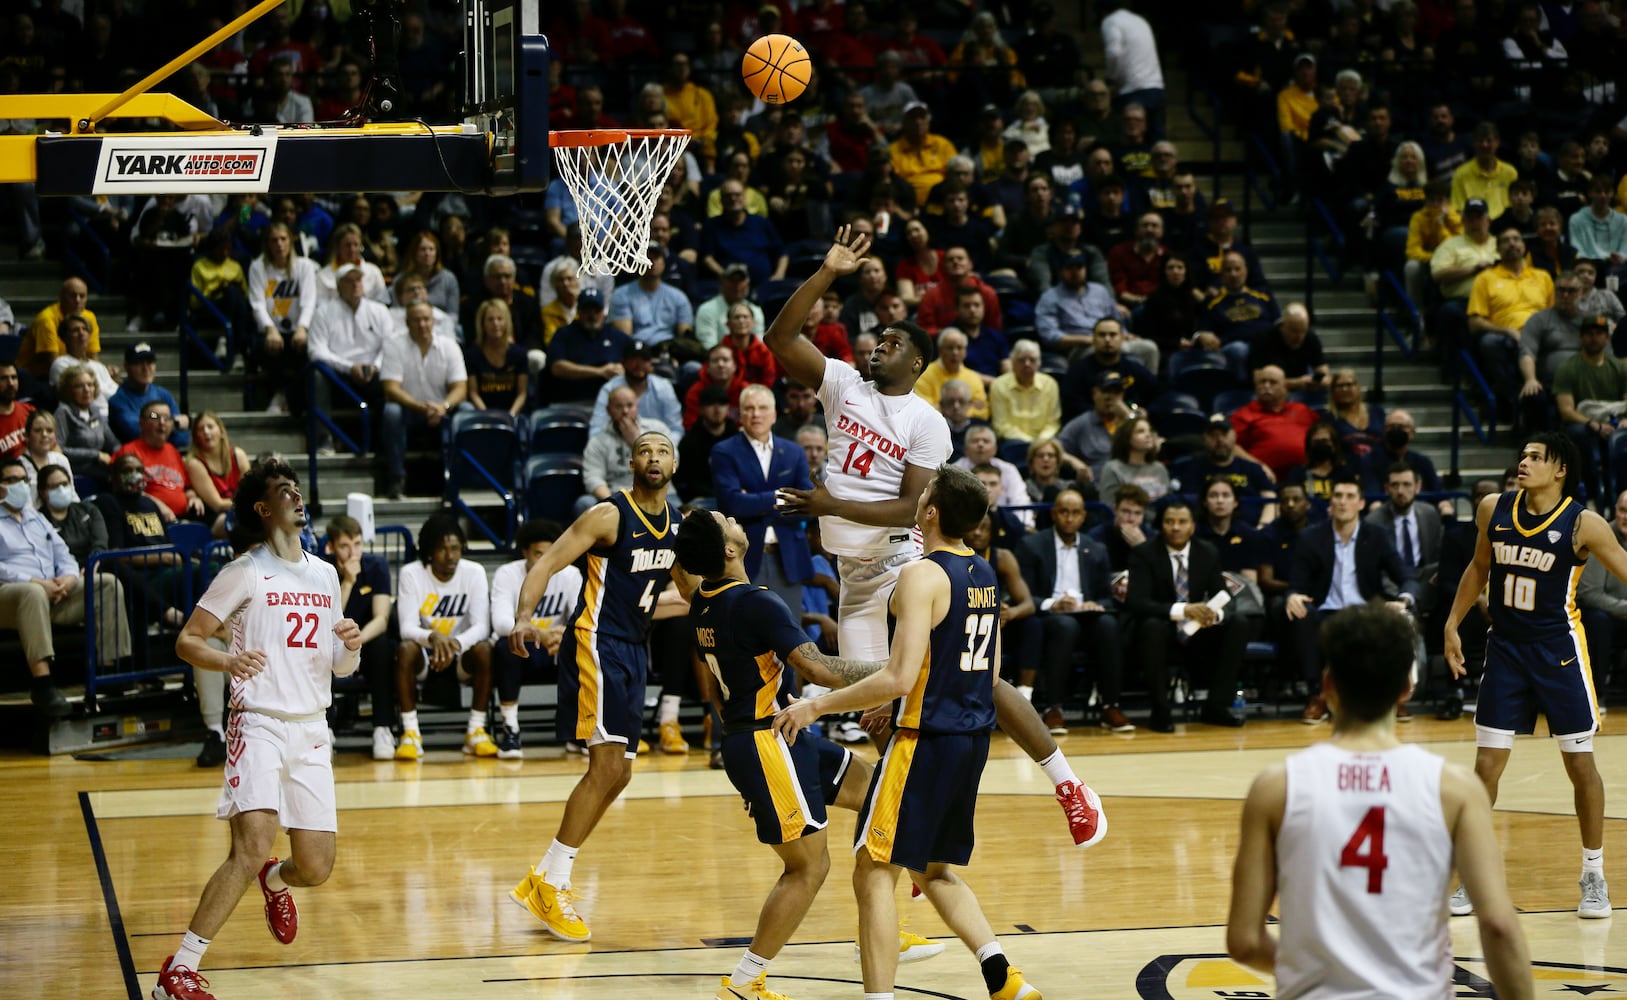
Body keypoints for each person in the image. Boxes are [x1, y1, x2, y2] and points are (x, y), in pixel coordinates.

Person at [766, 228, 1105, 848]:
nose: (879, 346)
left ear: (916, 364)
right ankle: (914, 840)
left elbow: (905, 510)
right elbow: (779, 338)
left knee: (975, 677)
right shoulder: (843, 385)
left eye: (893, 342)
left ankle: (1068, 784)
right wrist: (825, 272)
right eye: (878, 339)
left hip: (907, 564)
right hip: (855, 577)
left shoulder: (925, 422)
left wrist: (826, 502)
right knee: (880, 714)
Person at [773, 465, 1047, 1000]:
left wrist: (817, 707)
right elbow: (984, 676)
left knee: (872, 871)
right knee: (937, 870)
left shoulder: (922, 575)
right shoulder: (984, 574)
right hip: (970, 743)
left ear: (932, 512)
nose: (918, 500)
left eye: (923, 495)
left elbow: (899, 673)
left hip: (924, 744)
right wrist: (901, 701)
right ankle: (1004, 976)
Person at [675, 510, 942, 1000]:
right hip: (768, 742)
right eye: (723, 519)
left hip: (778, 731)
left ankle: (880, 933)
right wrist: (896, 669)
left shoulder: (702, 601)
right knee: (808, 868)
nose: (733, 516)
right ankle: (744, 980)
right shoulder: (756, 603)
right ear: (730, 550)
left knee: (883, 799)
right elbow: (821, 669)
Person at [1226, 604, 1535, 1000]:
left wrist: (1316, 971)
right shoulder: (1455, 789)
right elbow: (1497, 924)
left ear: (1326, 685)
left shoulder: (1277, 787)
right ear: (1407, 688)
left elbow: (1244, 941)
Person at [154, 461, 360, 1000]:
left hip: (312, 728)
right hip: (259, 722)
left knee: (315, 868)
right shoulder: (244, 571)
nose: (296, 495)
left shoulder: (325, 574)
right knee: (249, 848)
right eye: (282, 490)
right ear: (264, 510)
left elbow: (337, 665)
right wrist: (228, 663)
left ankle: (276, 881)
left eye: (297, 487)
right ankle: (180, 967)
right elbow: (188, 640)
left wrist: (351, 647)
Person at [507, 430, 690, 942]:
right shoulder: (609, 515)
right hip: (596, 641)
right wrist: (524, 616)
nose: (653, 457)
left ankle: (544, 875)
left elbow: (687, 595)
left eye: (663, 450)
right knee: (606, 765)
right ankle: (555, 881)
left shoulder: (678, 525)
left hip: (634, 646)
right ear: (630, 461)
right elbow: (546, 562)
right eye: (645, 450)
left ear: (675, 463)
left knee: (622, 774)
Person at [1443, 433, 1617, 919]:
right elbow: (1479, 568)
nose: (1524, 462)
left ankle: (1594, 874)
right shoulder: (1492, 508)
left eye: (1536, 457)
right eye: (1522, 455)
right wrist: (1452, 625)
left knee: (1580, 766)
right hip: (1505, 651)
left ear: (1560, 470)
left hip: (1559, 652)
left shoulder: (1585, 523)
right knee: (1486, 768)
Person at [1126, 497, 1249, 731]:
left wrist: (1214, 614)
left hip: (1197, 632)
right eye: (1170, 521)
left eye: (1182, 522)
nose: (1175, 527)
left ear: (1192, 526)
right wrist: (1183, 609)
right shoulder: (1144, 553)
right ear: (1161, 525)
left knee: (1239, 623)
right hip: (1160, 630)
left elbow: (1224, 597)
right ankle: (1160, 711)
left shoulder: (1207, 552)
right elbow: (1136, 602)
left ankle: (1216, 707)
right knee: (1152, 626)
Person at [1018, 488, 1129, 733]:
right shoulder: (1032, 545)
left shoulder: (1095, 548)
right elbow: (1022, 594)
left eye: (1075, 513)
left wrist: (1095, 605)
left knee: (1109, 625)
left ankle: (1110, 705)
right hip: (1048, 617)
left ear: (1083, 516)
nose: (1069, 518)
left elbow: (1107, 598)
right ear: (1054, 514)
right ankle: (1053, 707)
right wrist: (1051, 604)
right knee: (1065, 625)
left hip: (1085, 617)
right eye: (1064, 512)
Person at [391, 514, 495, 760]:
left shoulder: (474, 572)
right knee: (405, 649)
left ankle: (476, 731)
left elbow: (482, 626)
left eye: (455, 548)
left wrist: (455, 643)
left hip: (461, 656)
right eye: (442, 549)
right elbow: (406, 627)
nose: (450, 556)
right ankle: (411, 733)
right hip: (426, 656)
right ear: (428, 551)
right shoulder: (411, 574)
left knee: (485, 649)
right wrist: (434, 638)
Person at [488, 519, 580, 761]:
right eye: (538, 553)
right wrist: (541, 634)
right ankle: (510, 729)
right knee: (503, 647)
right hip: (524, 649)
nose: (545, 560)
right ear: (525, 552)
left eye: (551, 553)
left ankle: (576, 730)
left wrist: (563, 636)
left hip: (556, 647)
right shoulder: (507, 574)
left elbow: (581, 618)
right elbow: (500, 623)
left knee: (584, 645)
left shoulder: (570, 574)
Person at [322, 515, 395, 763]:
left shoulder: (376, 566)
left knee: (383, 646)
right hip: (332, 639)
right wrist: (349, 582)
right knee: (320, 648)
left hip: (365, 639)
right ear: (331, 547)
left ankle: (383, 729)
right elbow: (327, 621)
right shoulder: (323, 569)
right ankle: (325, 730)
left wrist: (356, 644)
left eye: (358, 544)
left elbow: (382, 618)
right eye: (345, 546)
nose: (354, 553)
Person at [113, 401, 201, 522]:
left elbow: (186, 487)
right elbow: (125, 491)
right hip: (146, 518)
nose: (162, 422)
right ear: (141, 423)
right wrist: (156, 505)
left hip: (183, 517)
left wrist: (193, 498)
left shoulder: (173, 451)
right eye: (155, 417)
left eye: (167, 418)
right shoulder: (128, 453)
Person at [184, 412, 249, 540]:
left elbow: (249, 491)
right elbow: (217, 504)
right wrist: (248, 504)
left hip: (239, 510)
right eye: (201, 429)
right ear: (196, 437)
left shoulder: (238, 455)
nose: (206, 432)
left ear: (221, 432)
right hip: (214, 518)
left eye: (210, 427)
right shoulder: (195, 463)